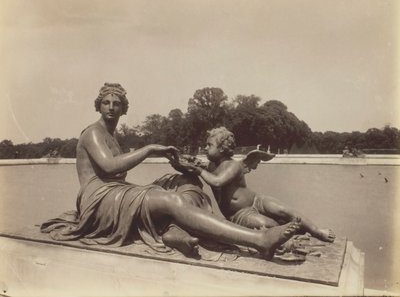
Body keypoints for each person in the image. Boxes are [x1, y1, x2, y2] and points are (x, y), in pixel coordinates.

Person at [41, 83, 301, 260]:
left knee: (185, 180)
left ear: (123, 108)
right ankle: (259, 240)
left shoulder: (111, 136)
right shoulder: (93, 133)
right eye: (106, 102)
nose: (111, 107)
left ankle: (173, 233)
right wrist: (151, 149)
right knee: (170, 199)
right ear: (98, 106)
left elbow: (117, 174)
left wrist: (180, 165)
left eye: (116, 103)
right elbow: (109, 167)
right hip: (99, 201)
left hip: (116, 194)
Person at [175, 127, 335, 243]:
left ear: (223, 148)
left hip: (256, 200)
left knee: (284, 210)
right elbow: (195, 170)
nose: (205, 148)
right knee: (267, 225)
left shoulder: (233, 165)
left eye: (209, 145)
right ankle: (292, 232)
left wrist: (197, 169)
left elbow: (217, 181)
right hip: (239, 215)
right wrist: (179, 161)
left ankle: (316, 231)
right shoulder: (209, 167)